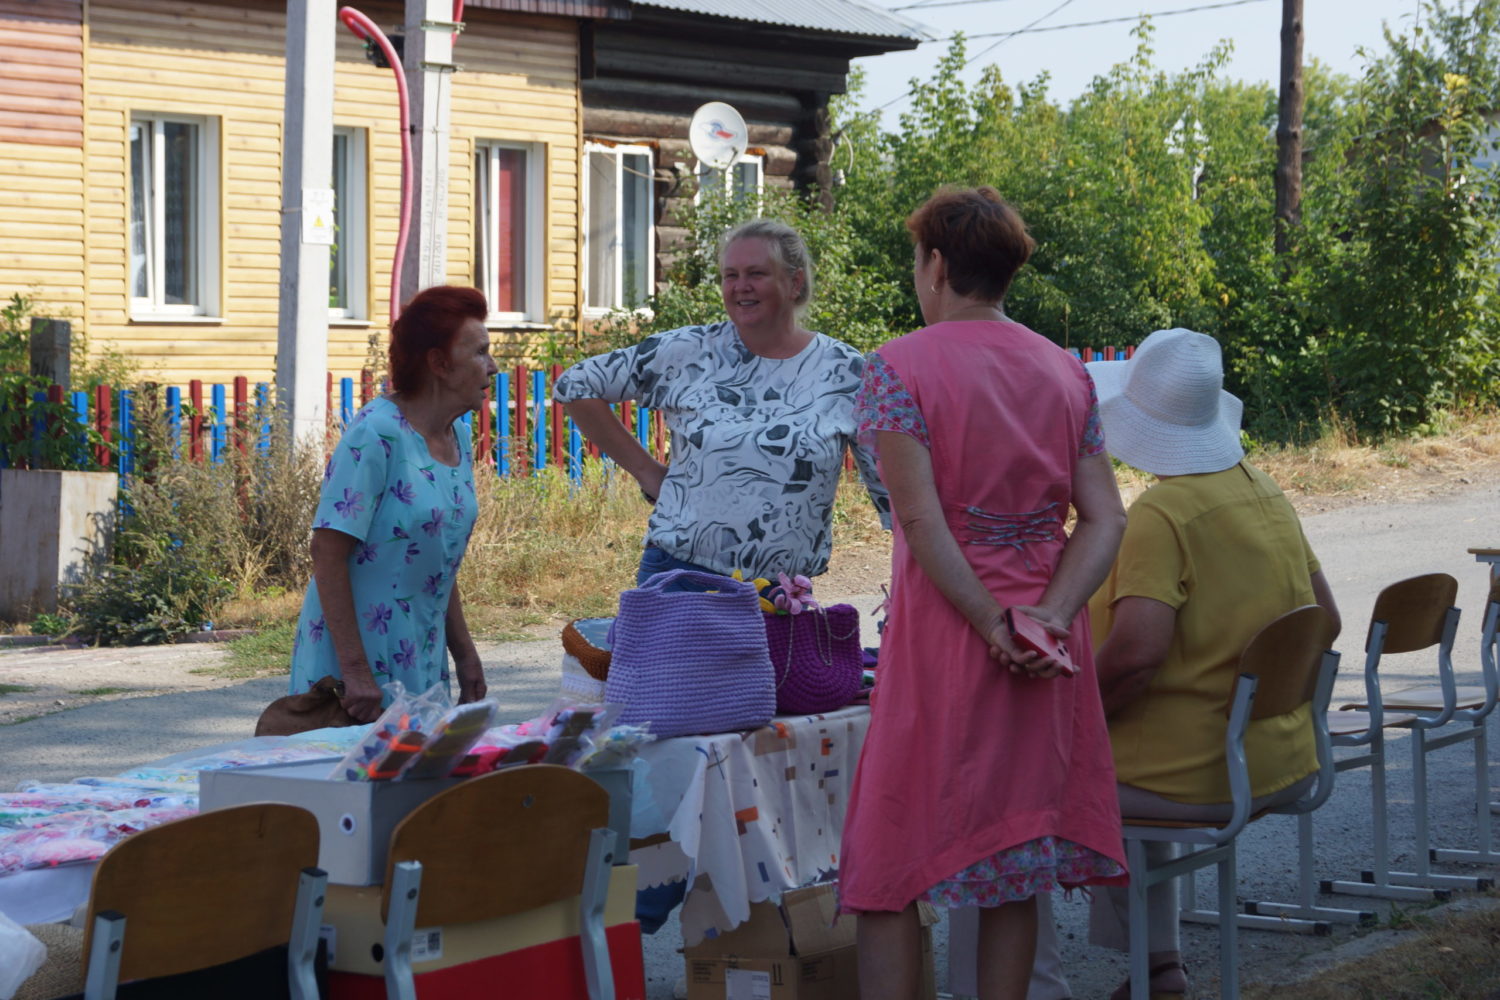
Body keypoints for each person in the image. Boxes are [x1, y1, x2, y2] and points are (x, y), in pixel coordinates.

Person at [838, 187, 1129, 1000]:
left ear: (934, 265)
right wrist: (1048, 619)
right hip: (1046, 649)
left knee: (888, 863)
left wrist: (990, 624)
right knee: (1015, 860)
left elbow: (922, 526)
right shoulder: (1066, 371)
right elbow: (1105, 519)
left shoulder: (897, 367)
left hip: (948, 642)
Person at [1082, 328, 1341, 1000]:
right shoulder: (1264, 489)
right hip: (1281, 756)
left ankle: (1028, 982)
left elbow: (1137, 654)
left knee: (1042, 782)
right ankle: (1158, 968)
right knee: (1117, 761)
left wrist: (1074, 719)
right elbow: (1328, 620)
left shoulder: (1162, 515)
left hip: (1202, 774)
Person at [554, 218, 890, 588]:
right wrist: (648, 472)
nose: (741, 287)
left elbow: (893, 494)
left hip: (782, 594)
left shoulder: (846, 370)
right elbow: (576, 385)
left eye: (757, 273)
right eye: (730, 275)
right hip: (682, 576)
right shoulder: (687, 352)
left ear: (794, 283)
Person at [288, 285, 498, 722]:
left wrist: (465, 653)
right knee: (355, 785)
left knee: (416, 783)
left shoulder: (456, 436)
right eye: (480, 352)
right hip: (359, 662)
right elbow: (326, 551)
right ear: (439, 363)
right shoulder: (376, 434)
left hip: (419, 649)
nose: (492, 367)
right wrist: (355, 671)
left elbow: (435, 555)